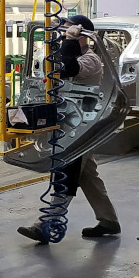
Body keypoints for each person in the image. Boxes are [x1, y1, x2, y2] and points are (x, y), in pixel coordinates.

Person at [17, 14, 121, 244]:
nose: (63, 35)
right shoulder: (68, 52)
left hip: (81, 127)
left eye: (68, 31)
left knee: (67, 172)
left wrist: (69, 42)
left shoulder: (91, 60)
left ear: (80, 34)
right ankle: (109, 221)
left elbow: (66, 69)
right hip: (70, 123)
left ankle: (46, 224)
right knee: (88, 175)